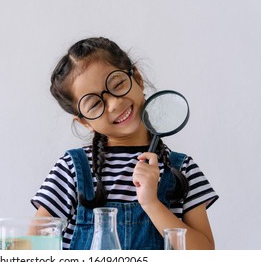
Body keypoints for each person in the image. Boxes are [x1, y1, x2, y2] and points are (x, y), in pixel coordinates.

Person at [31, 37, 218, 250]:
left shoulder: (182, 169)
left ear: (137, 78)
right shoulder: (72, 168)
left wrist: (152, 203)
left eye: (117, 84)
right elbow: (34, 248)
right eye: (94, 104)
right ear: (85, 122)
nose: (114, 104)